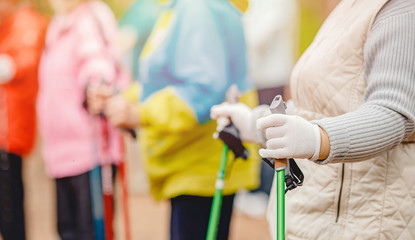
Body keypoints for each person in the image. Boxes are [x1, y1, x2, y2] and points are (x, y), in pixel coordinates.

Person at [211, 0, 415, 239]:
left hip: (361, 221)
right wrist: (256, 124)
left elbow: (395, 114)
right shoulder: (349, 6)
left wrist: (316, 138)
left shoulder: (400, 8)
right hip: (315, 214)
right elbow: (321, 103)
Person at [88, 0, 261, 239]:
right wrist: (121, 99)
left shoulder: (197, 8)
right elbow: (160, 83)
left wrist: (140, 114)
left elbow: (203, 89)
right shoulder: (182, 7)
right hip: (191, 163)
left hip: (201, 165)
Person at [37, 0, 124, 239]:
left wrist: (95, 83)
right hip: (60, 152)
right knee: (67, 228)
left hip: (89, 148)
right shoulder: (59, 25)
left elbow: (97, 60)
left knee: (90, 230)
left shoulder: (90, 18)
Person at [0, 1, 47, 239]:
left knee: (10, 205)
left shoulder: (28, 23)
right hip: (6, 130)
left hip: (11, 132)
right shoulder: (9, 24)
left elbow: (16, 67)